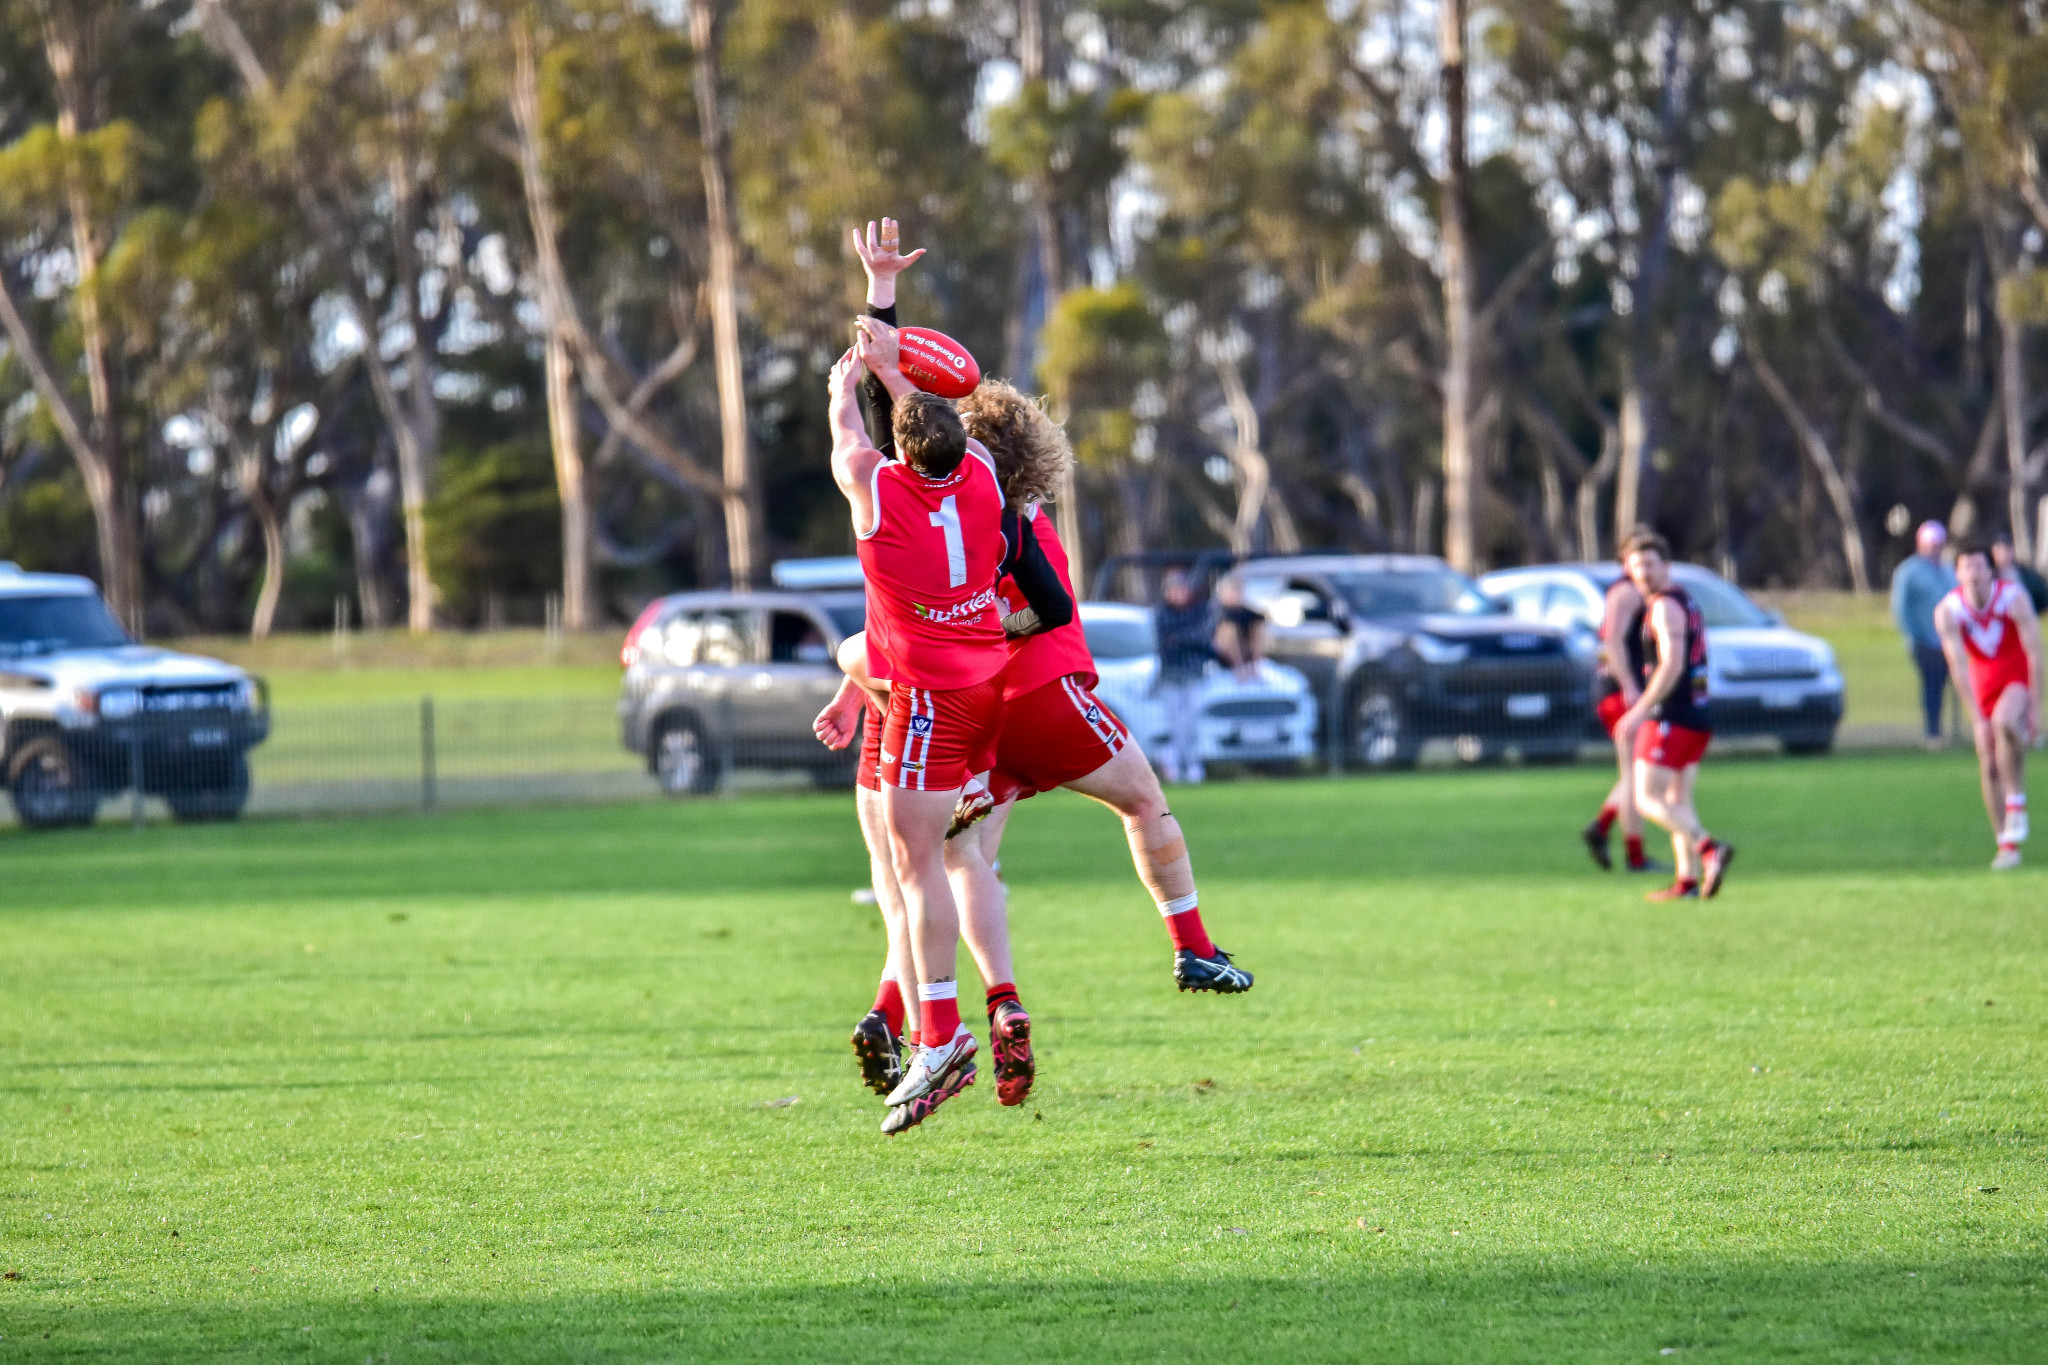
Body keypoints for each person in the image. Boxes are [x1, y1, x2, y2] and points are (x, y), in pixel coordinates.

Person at [827, 307, 1010, 1132]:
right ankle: (937, 1028)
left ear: (899, 450)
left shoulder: (877, 491)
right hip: (985, 684)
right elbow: (924, 428)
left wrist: (845, 389)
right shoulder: (980, 476)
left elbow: (848, 437)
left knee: (914, 865)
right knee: (940, 855)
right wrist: (897, 369)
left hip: (931, 698)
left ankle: (941, 1032)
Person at [1615, 529, 1734, 901]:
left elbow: (1672, 663)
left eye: (1650, 564)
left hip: (1673, 714)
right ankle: (1687, 881)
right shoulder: (1684, 600)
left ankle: (1709, 848)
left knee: (1646, 799)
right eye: (1636, 566)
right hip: (1696, 714)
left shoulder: (1664, 606)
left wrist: (1639, 710)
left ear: (1666, 566)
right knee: (1677, 799)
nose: (1644, 573)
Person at [1934, 539, 2043, 870]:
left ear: (1989, 570)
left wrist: (2037, 707)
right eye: (1967, 567)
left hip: (2015, 677)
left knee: (2005, 722)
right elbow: (1958, 665)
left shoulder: (2013, 598)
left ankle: (2017, 802)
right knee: (1989, 761)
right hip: (1983, 685)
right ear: (1957, 573)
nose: (1974, 574)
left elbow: (2036, 653)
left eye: (1979, 566)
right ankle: (2005, 843)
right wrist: (1975, 717)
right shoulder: (1949, 610)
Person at [1581, 572, 1663, 874]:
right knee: (1635, 775)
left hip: (1626, 693)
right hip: (1620, 695)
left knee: (1637, 775)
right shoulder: (1626, 591)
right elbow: (1612, 640)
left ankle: (1602, 828)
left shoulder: (1644, 590)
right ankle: (1635, 857)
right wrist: (1629, 685)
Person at [1891, 521, 1958, 750]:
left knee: (1963, 682)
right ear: (1921, 544)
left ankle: (1963, 732)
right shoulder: (1908, 572)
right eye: (1932, 545)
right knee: (1932, 685)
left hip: (1950, 640)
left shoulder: (1949, 569)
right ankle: (1933, 734)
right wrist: (1915, 636)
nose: (1936, 549)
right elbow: (1901, 609)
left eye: (1939, 545)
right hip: (1924, 642)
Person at [1153, 570, 1215, 783]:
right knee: (1176, 723)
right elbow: (1167, 642)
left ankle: (1191, 763)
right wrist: (1188, 640)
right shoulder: (1162, 613)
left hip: (1194, 674)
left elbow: (1204, 639)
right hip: (1171, 675)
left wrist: (1182, 639)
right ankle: (1177, 764)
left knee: (1191, 722)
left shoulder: (1199, 611)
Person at [1211, 576, 1266, 680]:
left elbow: (1259, 618)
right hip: (1221, 652)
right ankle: (1238, 668)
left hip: (1245, 649)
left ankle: (1257, 667)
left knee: (1256, 627)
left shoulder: (1245, 611)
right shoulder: (1216, 610)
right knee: (1230, 629)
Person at [1991, 530, 2048, 616]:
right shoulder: (1989, 578)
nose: (2003, 554)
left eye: (2007, 549)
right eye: (1999, 549)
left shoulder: (2029, 576)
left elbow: (2044, 599)